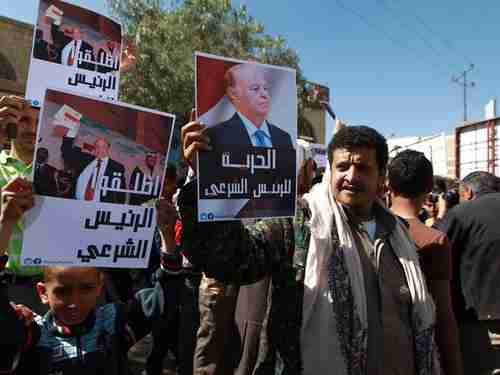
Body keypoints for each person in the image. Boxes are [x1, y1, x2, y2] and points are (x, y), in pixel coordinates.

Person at [179, 122, 442, 374]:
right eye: (343, 166)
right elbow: (233, 259)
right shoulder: (299, 224)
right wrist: (208, 181)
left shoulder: (399, 235)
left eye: (362, 168)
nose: (351, 176)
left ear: (382, 176)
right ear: (331, 170)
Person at [0, 176, 173, 374]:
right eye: (62, 291)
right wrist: (6, 222)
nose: (74, 301)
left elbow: (164, 300)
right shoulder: (32, 334)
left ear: (100, 286)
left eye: (86, 288)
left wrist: (168, 238)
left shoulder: (113, 322)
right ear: (43, 292)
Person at [387, 150, 463, 375]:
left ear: (388, 184)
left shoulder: (367, 229)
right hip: (413, 356)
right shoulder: (434, 241)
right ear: (429, 188)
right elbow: (443, 315)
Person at [438, 171, 500, 374]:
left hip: (479, 324)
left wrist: (443, 212)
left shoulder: (462, 214)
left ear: (467, 192)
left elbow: (435, 250)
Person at [0, 95, 46, 314]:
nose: (32, 129)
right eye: (25, 120)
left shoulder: (61, 175)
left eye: (39, 122)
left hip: (53, 289)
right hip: (8, 289)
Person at [207, 63, 294, 149]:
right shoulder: (215, 136)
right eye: (255, 88)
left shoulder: (284, 138)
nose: (264, 94)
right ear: (233, 94)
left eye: (265, 88)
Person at [61, 135, 126, 204]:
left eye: (103, 147)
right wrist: (69, 133)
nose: (100, 149)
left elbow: (120, 193)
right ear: (94, 149)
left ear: (108, 149)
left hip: (99, 208)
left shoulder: (116, 167)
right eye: (97, 147)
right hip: (76, 204)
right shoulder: (85, 160)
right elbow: (66, 153)